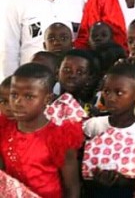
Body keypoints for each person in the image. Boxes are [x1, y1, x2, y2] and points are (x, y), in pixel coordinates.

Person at [0, 63, 83, 198]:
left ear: (47, 99)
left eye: (29, 97)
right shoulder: (4, 129)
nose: (18, 102)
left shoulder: (59, 137)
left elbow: (71, 187)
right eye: (14, 95)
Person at [82, 63, 135, 198]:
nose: (111, 98)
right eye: (107, 91)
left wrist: (125, 181)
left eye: (119, 93)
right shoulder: (93, 126)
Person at [59, 49, 100, 114]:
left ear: (89, 79)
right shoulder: (44, 105)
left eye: (79, 72)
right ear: (57, 72)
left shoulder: (89, 112)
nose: (72, 75)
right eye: (67, 69)